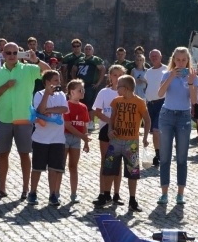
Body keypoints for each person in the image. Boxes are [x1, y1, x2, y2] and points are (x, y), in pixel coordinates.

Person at [0, 41, 50, 200]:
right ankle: (2, 188)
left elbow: (49, 73)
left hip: (23, 119)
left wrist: (36, 60)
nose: (12, 56)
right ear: (3, 55)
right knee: (3, 154)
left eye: (15, 53)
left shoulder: (28, 69)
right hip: (4, 119)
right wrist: (5, 86)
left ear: (19, 54)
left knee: (24, 154)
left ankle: (26, 188)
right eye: (8, 53)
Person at [96, 75, 150, 212]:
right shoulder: (116, 101)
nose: (116, 88)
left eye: (118, 85)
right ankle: (106, 195)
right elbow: (112, 119)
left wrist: (145, 137)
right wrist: (110, 131)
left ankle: (132, 199)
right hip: (115, 141)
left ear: (125, 88)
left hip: (131, 142)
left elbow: (147, 120)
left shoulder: (139, 102)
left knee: (133, 172)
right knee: (109, 168)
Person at [156, 47, 197, 205]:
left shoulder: (193, 76)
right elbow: (160, 94)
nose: (180, 63)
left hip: (183, 116)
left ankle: (180, 193)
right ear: (173, 60)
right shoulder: (167, 74)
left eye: (183, 60)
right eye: (178, 60)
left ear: (187, 61)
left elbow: (194, 101)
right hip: (166, 115)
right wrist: (171, 76)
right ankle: (164, 193)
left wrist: (192, 83)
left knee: (182, 156)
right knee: (164, 156)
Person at [28, 70, 69, 206]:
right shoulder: (39, 94)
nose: (58, 83)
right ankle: (32, 192)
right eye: (55, 80)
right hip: (41, 138)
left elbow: (64, 108)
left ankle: (53, 194)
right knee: (37, 168)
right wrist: (46, 94)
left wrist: (50, 110)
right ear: (47, 82)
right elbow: (40, 111)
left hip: (58, 138)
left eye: (59, 80)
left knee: (54, 168)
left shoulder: (61, 94)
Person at [92, 65, 126, 206]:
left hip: (122, 130)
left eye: (120, 75)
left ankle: (116, 193)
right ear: (110, 77)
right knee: (106, 161)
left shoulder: (126, 94)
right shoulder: (104, 92)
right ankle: (103, 192)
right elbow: (97, 111)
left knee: (118, 163)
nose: (117, 78)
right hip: (106, 129)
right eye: (114, 75)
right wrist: (110, 122)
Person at [63, 79, 90, 203]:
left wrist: (86, 142)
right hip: (65, 137)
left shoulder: (83, 107)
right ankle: (55, 192)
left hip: (77, 140)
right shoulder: (65, 105)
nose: (82, 92)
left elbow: (84, 125)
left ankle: (74, 193)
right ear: (72, 92)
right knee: (60, 166)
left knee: (73, 166)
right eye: (80, 90)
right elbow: (68, 125)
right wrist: (83, 136)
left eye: (83, 89)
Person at [144, 49, 166, 166]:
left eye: (156, 56)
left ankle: (159, 154)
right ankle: (158, 153)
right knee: (154, 131)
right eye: (152, 56)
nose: (154, 58)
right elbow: (148, 85)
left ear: (160, 57)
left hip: (162, 102)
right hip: (150, 103)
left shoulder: (166, 69)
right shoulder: (148, 72)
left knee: (157, 130)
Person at [74, 43, 106, 123]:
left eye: (89, 49)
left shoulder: (95, 60)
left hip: (90, 85)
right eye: (86, 49)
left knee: (90, 104)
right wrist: (74, 80)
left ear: (92, 50)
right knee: (80, 102)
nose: (88, 50)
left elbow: (102, 69)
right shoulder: (80, 59)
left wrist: (98, 83)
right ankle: (81, 120)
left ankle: (91, 122)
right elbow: (74, 69)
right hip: (80, 85)